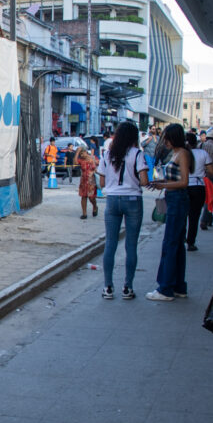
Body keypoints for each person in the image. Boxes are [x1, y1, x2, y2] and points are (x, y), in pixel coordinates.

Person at [97, 122, 150, 300]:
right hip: (133, 200)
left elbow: (102, 183)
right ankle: (127, 287)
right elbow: (143, 180)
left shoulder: (107, 154)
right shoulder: (137, 154)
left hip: (112, 201)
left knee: (110, 243)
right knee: (131, 245)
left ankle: (107, 287)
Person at [146, 124, 193, 301]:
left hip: (177, 199)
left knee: (170, 244)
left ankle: (165, 288)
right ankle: (178, 286)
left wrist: (163, 185)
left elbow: (184, 182)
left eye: (167, 138)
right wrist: (160, 182)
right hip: (174, 198)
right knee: (177, 244)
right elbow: (177, 178)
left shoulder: (183, 154)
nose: (164, 141)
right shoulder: (177, 153)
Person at [184, 132, 213, 252]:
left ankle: (181, 237)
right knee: (194, 216)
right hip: (198, 186)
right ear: (196, 142)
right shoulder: (203, 153)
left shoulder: (182, 153)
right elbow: (211, 171)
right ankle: (191, 242)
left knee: (182, 215)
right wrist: (203, 175)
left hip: (184, 186)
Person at [76, 146, 99, 219]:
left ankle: (95, 206)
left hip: (91, 180)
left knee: (91, 197)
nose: (82, 155)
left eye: (82, 153)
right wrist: (77, 152)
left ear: (86, 152)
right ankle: (84, 213)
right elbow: (75, 162)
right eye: (80, 154)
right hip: (83, 180)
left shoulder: (93, 158)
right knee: (83, 196)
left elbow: (98, 166)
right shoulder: (81, 160)